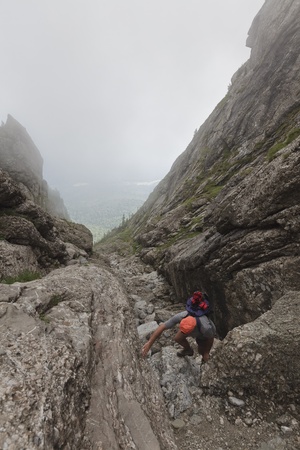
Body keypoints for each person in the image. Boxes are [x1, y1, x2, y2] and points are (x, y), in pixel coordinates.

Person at [141, 291, 216, 362]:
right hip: (197, 329)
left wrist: (206, 352)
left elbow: (210, 338)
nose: (184, 332)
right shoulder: (183, 316)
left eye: (186, 332)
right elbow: (162, 327)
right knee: (177, 338)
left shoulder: (205, 327)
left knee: (201, 351)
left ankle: (204, 359)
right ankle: (188, 350)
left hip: (201, 335)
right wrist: (149, 343)